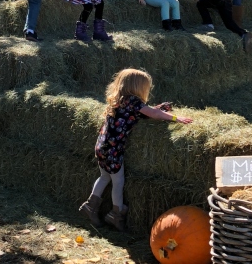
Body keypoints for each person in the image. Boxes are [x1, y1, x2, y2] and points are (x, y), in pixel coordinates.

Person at [78, 69, 192, 231]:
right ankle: (115, 214)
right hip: (113, 150)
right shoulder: (133, 100)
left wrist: (159, 109)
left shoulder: (120, 100)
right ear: (138, 87)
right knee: (118, 182)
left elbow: (146, 112)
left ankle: (90, 206)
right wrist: (175, 118)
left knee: (104, 177)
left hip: (102, 146)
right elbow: (152, 113)